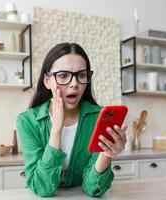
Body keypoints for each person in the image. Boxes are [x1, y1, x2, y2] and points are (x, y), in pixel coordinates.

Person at [16, 42, 127, 197]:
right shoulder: (27, 121)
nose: (74, 84)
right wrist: (56, 129)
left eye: (81, 75)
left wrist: (106, 154)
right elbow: (42, 188)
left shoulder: (97, 118)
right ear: (47, 81)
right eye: (63, 75)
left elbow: (93, 188)